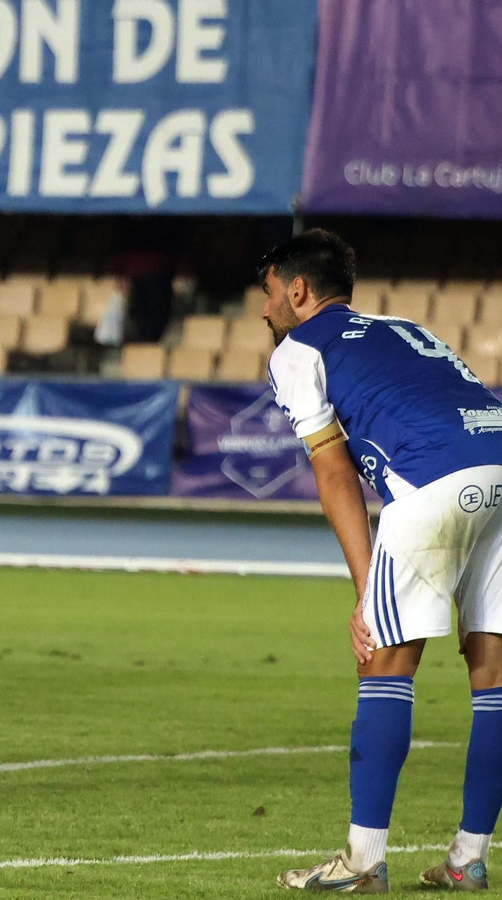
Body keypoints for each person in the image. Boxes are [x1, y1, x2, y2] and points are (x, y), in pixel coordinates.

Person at [264, 231, 502, 893]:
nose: (263, 309)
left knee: (383, 660)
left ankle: (363, 862)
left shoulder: (297, 349)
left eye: (268, 293)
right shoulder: (403, 325)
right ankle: (468, 859)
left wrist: (367, 586)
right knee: (495, 672)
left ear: (297, 290)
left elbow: (334, 472)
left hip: (432, 486)